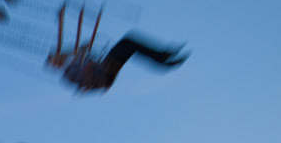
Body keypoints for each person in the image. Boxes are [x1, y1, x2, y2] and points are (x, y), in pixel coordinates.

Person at [58, 34, 187, 92]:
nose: (64, 57)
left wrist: (84, 50)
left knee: (128, 43)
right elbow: (85, 81)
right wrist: (88, 66)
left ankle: (162, 56)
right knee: (126, 45)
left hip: (105, 69)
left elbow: (85, 56)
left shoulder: (74, 63)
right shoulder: (69, 73)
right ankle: (162, 60)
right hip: (103, 74)